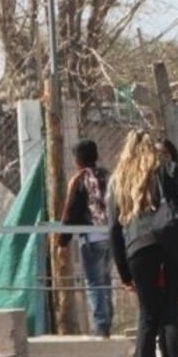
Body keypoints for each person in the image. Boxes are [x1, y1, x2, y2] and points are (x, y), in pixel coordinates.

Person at [107, 130, 178, 357]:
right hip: (173, 246)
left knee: (147, 315)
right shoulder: (168, 172)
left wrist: (124, 272)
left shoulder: (118, 181)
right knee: (171, 313)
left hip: (139, 248)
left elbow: (114, 230)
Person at [57, 139, 113, 339]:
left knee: (94, 282)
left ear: (79, 160)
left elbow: (71, 212)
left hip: (91, 238)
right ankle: (107, 322)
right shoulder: (107, 176)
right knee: (105, 280)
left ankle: (100, 326)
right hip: (111, 237)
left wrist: (62, 241)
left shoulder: (80, 180)